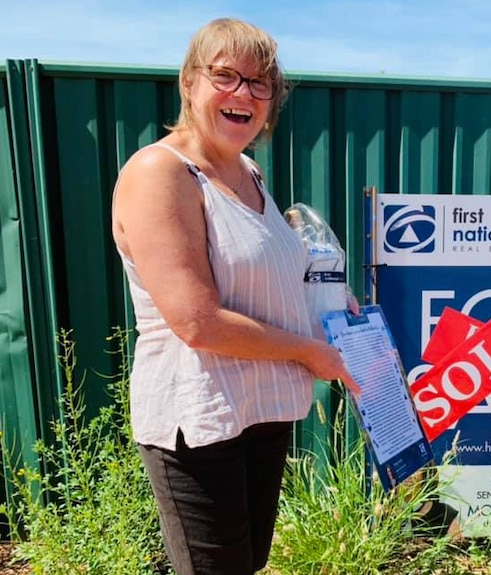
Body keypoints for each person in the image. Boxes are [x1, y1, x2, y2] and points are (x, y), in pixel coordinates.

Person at [111, 18, 359, 575]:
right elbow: (197, 321)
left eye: (259, 83)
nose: (243, 93)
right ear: (190, 83)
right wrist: (309, 352)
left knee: (248, 563)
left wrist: (332, 314)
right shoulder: (160, 172)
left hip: (259, 407)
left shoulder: (249, 172)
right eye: (225, 76)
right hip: (200, 417)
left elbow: (267, 280)